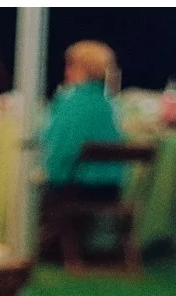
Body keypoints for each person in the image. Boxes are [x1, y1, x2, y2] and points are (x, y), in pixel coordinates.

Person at [40, 41, 125, 199]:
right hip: (112, 189)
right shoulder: (110, 104)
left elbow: (60, 150)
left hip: (75, 188)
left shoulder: (69, 101)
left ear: (78, 68)